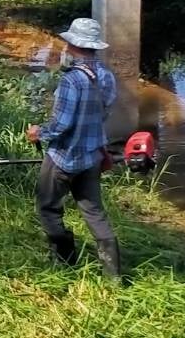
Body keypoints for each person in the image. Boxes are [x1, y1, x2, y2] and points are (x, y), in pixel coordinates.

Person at [26, 17, 122, 281]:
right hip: (92, 158)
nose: (66, 48)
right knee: (94, 212)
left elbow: (61, 125)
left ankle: (65, 262)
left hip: (63, 158)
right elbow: (103, 113)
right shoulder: (106, 76)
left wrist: (38, 133)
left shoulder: (71, 80)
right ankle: (113, 275)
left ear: (74, 46)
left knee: (48, 207)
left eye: (68, 44)